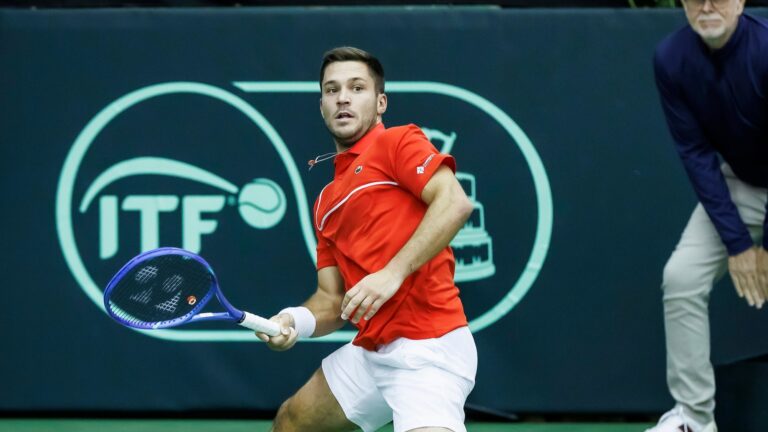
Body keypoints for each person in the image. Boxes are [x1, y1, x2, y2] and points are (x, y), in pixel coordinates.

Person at [255, 46, 477, 432]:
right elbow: (332, 298)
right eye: (332, 89)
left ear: (380, 103)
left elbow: (455, 202)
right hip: (372, 353)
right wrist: (295, 321)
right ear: (321, 105)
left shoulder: (398, 142)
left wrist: (393, 273)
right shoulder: (325, 202)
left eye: (357, 88)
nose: (342, 97)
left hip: (429, 348)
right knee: (292, 421)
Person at [650, 1, 768, 431]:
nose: (707, 5)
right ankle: (694, 419)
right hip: (739, 184)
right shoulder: (671, 58)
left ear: (740, 1)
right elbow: (697, 155)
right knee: (680, 278)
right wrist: (738, 244)